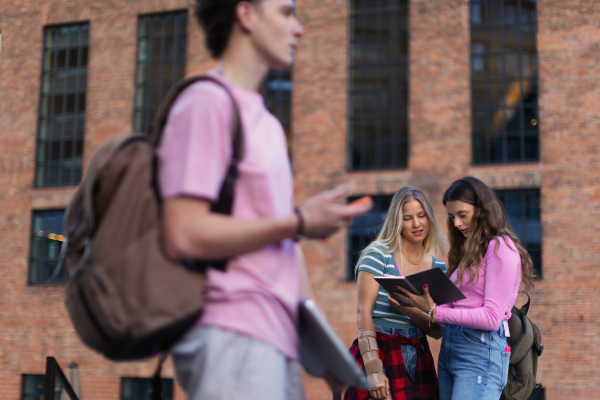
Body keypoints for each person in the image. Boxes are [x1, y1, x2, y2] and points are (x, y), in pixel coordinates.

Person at [156, 0, 373, 399]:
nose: (299, 29)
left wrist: (328, 359)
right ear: (247, 15)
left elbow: (285, 249)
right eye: (286, 13)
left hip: (277, 339)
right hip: (230, 332)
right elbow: (182, 232)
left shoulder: (270, 126)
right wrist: (300, 221)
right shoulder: (205, 103)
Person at [395, 177, 535, 400]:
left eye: (462, 214)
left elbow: (491, 317)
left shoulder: (501, 247)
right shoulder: (467, 252)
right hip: (451, 348)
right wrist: (416, 301)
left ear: (481, 209)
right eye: (452, 217)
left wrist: (435, 311)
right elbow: (453, 307)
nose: (457, 223)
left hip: (480, 351)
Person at [344, 186, 447, 400]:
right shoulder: (377, 254)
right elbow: (363, 312)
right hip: (379, 350)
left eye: (421, 215)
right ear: (397, 221)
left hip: (418, 355)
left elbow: (437, 330)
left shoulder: (438, 269)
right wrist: (374, 371)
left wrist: (409, 309)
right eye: (408, 218)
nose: (417, 224)